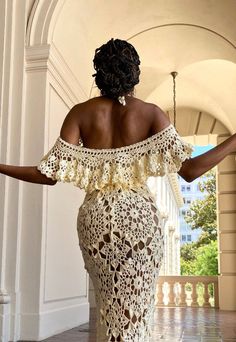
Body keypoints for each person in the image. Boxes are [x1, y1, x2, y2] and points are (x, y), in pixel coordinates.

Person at [0, 38, 236, 341]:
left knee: (108, 304)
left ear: (99, 73)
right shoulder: (151, 113)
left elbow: (48, 175)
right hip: (138, 219)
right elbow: (189, 171)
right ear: (134, 72)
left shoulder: (80, 113)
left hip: (97, 219)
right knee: (135, 307)